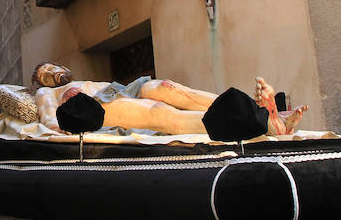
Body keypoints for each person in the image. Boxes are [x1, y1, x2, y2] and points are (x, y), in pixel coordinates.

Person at [35, 74, 308, 137]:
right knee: (161, 114)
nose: (51, 73)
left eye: (51, 68)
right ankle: (263, 124)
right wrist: (55, 128)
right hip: (99, 109)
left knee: (165, 87)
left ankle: (257, 110)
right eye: (44, 74)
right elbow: (49, 118)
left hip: (120, 89)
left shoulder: (82, 79)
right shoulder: (47, 93)